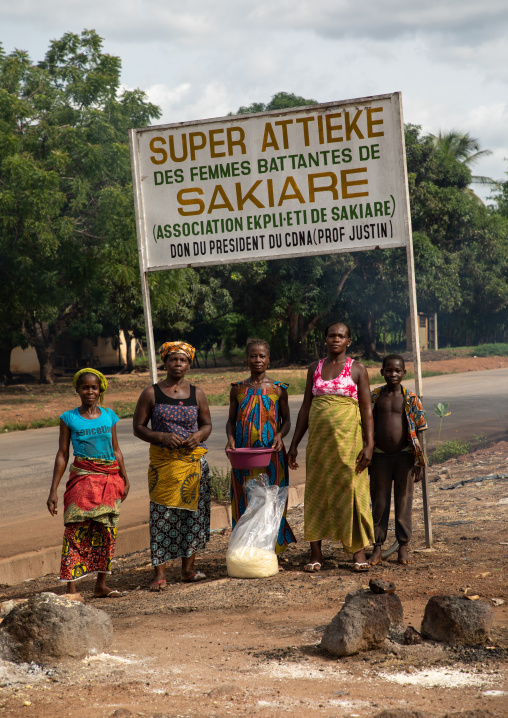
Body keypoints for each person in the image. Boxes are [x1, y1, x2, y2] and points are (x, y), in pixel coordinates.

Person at [287, 322, 375, 572]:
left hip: (349, 444)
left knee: (351, 491)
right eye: (331, 335)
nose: (336, 339)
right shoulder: (314, 368)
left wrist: (370, 444)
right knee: (317, 492)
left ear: (349, 341)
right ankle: (316, 554)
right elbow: (306, 407)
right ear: (325, 339)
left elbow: (366, 409)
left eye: (341, 336)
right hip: (319, 446)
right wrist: (294, 444)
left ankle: (357, 552)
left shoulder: (357, 369)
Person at [133, 341, 212, 590]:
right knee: (161, 516)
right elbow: (138, 427)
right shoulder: (151, 393)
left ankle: (188, 569)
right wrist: (161, 437)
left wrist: (198, 436)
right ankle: (159, 573)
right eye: (173, 359)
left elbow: (207, 424)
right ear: (165, 362)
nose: (178, 364)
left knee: (191, 516)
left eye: (183, 360)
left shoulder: (197, 393)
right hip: (164, 465)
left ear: (189, 364)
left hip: (192, 464)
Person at [47, 369, 130, 599]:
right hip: (81, 479)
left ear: (100, 389)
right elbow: (62, 455)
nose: (90, 391)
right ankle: (71, 589)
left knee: (107, 532)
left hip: (109, 480)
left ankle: (100, 585)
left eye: (94, 387)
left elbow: (116, 450)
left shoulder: (109, 416)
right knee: (75, 531)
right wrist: (53, 490)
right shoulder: (68, 418)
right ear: (77, 390)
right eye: (85, 387)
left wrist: (125, 476)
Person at [226, 339, 296, 553]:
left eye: (262, 356)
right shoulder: (238, 389)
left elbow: (287, 421)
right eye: (253, 356)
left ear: (268, 360)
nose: (257, 360)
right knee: (243, 498)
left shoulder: (278, 389)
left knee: (272, 500)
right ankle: (246, 550)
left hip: (272, 455)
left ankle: (272, 551)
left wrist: (279, 436)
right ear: (246, 359)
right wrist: (230, 438)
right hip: (243, 456)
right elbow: (231, 420)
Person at [368, 354, 428, 566]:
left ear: (404, 373)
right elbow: (366, 426)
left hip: (405, 457)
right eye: (388, 370)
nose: (392, 374)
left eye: (397, 371)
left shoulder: (411, 398)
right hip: (380, 458)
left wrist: (420, 461)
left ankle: (403, 546)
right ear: (382, 372)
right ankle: (377, 547)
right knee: (379, 503)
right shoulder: (374, 397)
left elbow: (420, 430)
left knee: (404, 502)